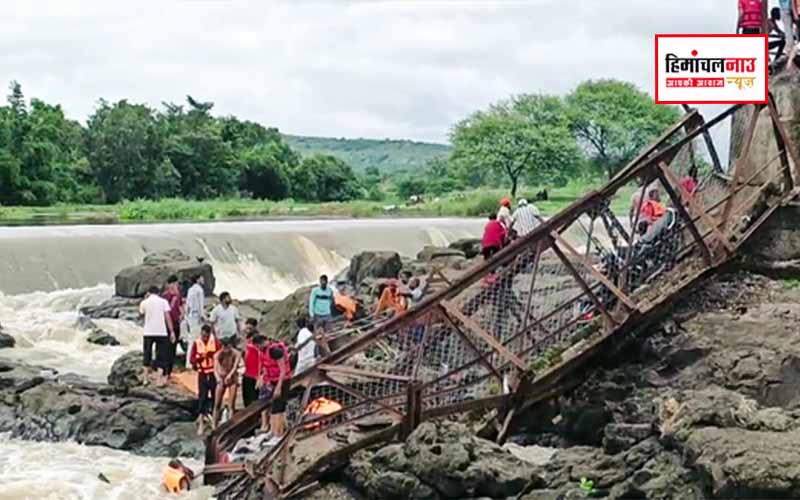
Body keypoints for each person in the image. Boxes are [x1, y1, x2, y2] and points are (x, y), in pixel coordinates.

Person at [139, 286, 174, 387]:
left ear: (149, 292)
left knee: (147, 354)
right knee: (161, 356)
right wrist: (171, 331)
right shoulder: (163, 302)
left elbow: (141, 313)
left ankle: (145, 379)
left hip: (148, 332)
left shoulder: (144, 302)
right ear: (159, 293)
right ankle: (159, 380)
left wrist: (145, 299)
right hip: (161, 332)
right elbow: (167, 317)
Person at [260, 339, 292, 445]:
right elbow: (266, 367)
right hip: (273, 381)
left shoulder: (275, 351)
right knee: (279, 407)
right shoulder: (265, 351)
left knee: (276, 409)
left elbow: (282, 370)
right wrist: (265, 380)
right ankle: (281, 431)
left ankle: (277, 435)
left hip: (282, 381)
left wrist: (278, 387)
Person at [190, 324, 220, 435]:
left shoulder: (216, 344)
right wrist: (199, 358)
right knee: (202, 397)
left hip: (213, 373)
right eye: (203, 336)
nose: (204, 338)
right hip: (202, 373)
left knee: (214, 396)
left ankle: (214, 421)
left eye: (206, 336)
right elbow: (192, 359)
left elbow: (220, 356)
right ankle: (201, 421)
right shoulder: (196, 343)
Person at [212, 336, 242, 428]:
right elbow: (215, 368)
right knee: (217, 403)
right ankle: (214, 425)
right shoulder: (217, 354)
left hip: (232, 377)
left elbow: (235, 366)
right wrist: (218, 378)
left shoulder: (236, 353)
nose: (225, 349)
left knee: (231, 404)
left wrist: (230, 375)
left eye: (227, 347)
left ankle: (231, 425)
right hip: (221, 377)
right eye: (224, 347)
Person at [162, 275, 183, 379]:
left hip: (176, 324)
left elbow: (179, 307)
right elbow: (167, 310)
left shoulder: (178, 295)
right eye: (176, 284)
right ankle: (165, 371)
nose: (177, 286)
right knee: (167, 348)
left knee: (173, 348)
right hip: (167, 325)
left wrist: (182, 315)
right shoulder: (165, 296)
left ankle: (169, 372)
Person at [308, 275, 334, 354]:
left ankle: (327, 351)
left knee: (328, 334)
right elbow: (311, 302)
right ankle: (317, 353)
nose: (323, 283)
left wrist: (328, 309)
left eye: (324, 282)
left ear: (326, 282)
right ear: (320, 282)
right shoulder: (315, 291)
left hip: (327, 314)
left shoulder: (329, 291)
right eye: (322, 281)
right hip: (317, 315)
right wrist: (312, 314)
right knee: (318, 336)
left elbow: (331, 301)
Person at [184, 275, 206, 366]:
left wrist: (186, 317)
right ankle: (194, 362)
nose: (203, 279)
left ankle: (188, 361)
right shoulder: (199, 290)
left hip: (190, 316)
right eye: (202, 278)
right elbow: (201, 305)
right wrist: (203, 316)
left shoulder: (190, 290)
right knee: (197, 340)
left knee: (191, 340)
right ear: (197, 279)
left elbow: (187, 305)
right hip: (197, 316)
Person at [242, 332, 266, 408]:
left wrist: (259, 376)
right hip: (247, 375)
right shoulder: (248, 347)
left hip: (255, 377)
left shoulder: (258, 349)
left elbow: (260, 363)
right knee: (247, 399)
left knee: (254, 399)